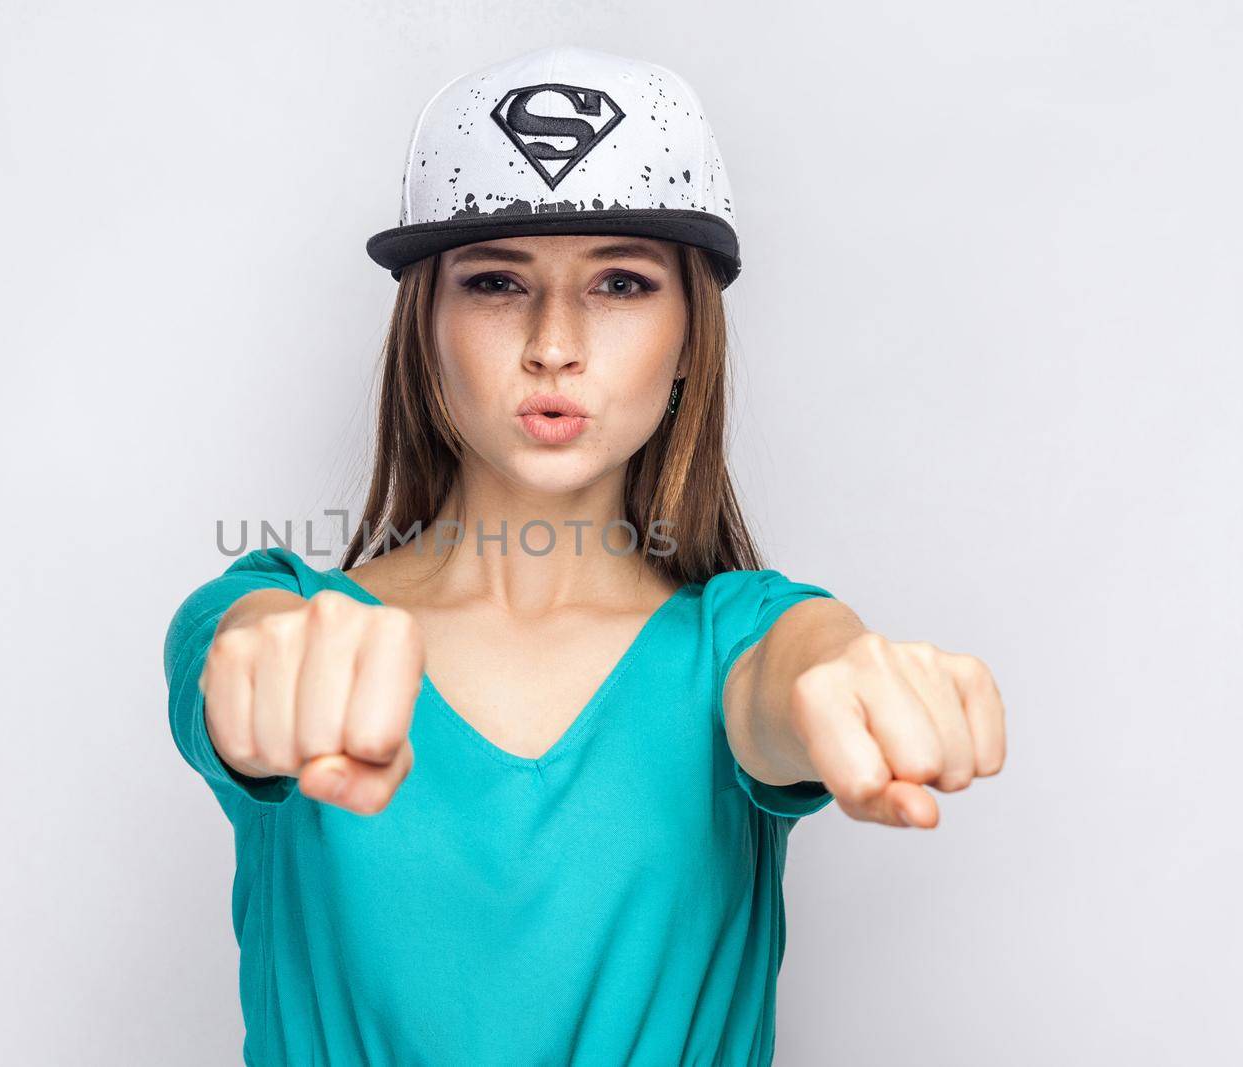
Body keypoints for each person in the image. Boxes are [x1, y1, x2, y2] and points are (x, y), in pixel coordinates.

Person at [163, 44, 1005, 1067]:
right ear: (423, 328)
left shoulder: (737, 641)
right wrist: (262, 668)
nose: (553, 341)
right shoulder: (281, 615)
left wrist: (844, 677)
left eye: (618, 281)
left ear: (694, 335)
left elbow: (797, 669)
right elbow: (240, 653)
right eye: (493, 281)